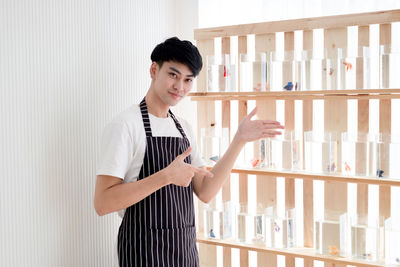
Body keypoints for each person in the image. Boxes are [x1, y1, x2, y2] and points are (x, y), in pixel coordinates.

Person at [94, 36, 284, 267]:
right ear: (154, 69)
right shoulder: (126, 125)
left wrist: (239, 140)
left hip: (184, 253)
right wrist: (165, 176)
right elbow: (103, 202)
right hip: (143, 254)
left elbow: (206, 191)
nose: (180, 87)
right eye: (173, 75)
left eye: (188, 80)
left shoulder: (183, 128)